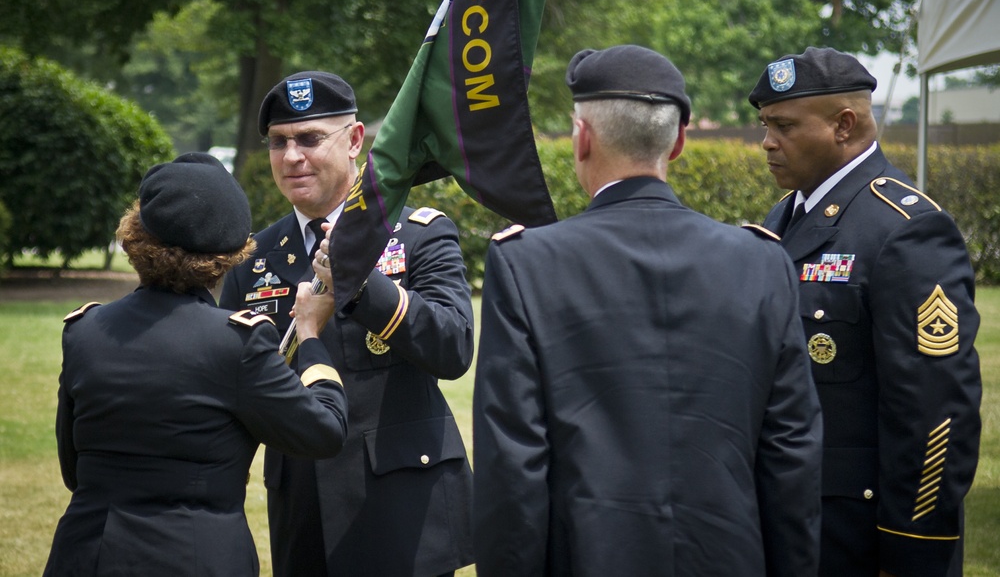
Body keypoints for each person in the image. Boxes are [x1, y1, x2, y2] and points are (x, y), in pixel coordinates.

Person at [472, 44, 824, 577]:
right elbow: (791, 459)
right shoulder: (761, 262)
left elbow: (512, 470)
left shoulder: (528, 264)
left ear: (583, 137)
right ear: (679, 141)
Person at [219, 71, 475, 576]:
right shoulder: (253, 260)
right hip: (304, 507)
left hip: (405, 508)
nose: (292, 156)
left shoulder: (420, 234)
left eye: (311, 138)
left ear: (356, 140)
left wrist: (359, 279)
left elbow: (453, 347)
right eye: (278, 142)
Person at [44, 153, 348, 576]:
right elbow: (325, 432)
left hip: (88, 553)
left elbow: (73, 468)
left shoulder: (84, 329)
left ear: (135, 234)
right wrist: (310, 336)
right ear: (231, 251)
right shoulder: (237, 342)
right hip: (196, 556)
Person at [748, 46, 982, 577]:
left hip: (863, 534)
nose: (767, 141)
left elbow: (935, 409)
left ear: (844, 126)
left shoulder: (905, 228)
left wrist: (911, 545)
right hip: (799, 520)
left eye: (783, 125)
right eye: (765, 124)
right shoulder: (785, 215)